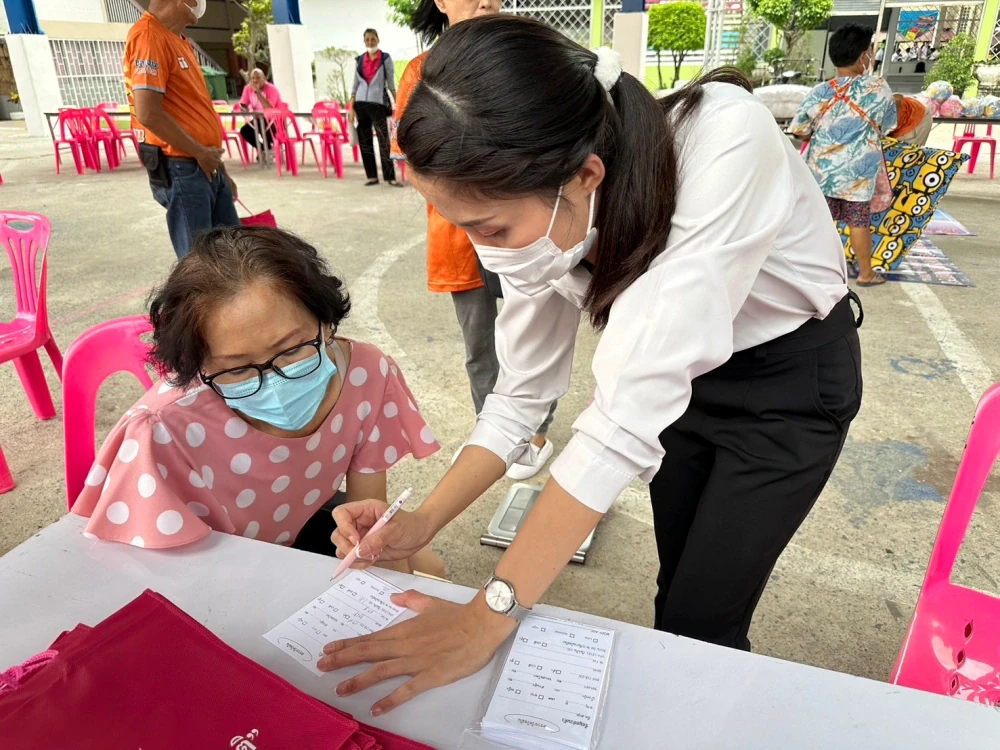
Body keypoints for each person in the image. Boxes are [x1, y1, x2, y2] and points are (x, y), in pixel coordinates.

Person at [316, 16, 862, 715]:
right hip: (692, 385)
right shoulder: (540, 216)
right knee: (680, 585)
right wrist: (423, 522)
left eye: (490, 228)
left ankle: (701, 719)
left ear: (585, 175)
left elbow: (619, 423)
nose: (488, 252)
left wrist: (491, 612)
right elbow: (521, 397)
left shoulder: (723, 144)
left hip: (787, 383)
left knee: (702, 616)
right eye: (464, 227)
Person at [71, 225, 445, 579]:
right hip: (210, 569)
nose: (275, 381)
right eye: (236, 370)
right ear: (197, 364)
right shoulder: (161, 432)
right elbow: (157, 573)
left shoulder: (367, 374)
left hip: (300, 529)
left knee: (430, 569)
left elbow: (366, 521)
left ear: (325, 319)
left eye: (293, 349)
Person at [395, 0, 558, 479]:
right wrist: (471, 201)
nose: (486, 0)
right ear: (441, 2)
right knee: (481, 347)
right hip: (458, 243)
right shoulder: (420, 73)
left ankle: (538, 430)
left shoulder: (522, 57)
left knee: (539, 333)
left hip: (526, 234)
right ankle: (499, 434)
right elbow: (409, 159)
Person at [125, 0, 239, 260]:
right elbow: (148, 113)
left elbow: (191, 112)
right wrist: (199, 152)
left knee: (234, 257)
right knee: (199, 265)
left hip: (205, 164)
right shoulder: (149, 37)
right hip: (183, 167)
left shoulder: (179, 40)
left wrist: (221, 171)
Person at [791, 24, 896, 287]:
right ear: (863, 56)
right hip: (858, 177)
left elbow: (800, 131)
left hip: (822, 172)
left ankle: (812, 273)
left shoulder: (820, 91)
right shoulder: (879, 89)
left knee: (818, 223)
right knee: (859, 222)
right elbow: (888, 127)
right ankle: (865, 274)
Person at [349, 29, 401, 187]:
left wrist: (398, 104)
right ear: (364, 41)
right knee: (365, 142)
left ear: (378, 40)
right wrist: (351, 108)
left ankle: (390, 177)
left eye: (372, 39)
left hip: (378, 104)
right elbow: (354, 85)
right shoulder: (359, 60)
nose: (370, 42)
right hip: (360, 106)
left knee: (384, 141)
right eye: (367, 39)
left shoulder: (385, 59)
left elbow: (391, 83)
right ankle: (372, 176)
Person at [238, 68, 282, 158]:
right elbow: (243, 103)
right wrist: (244, 108)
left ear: (264, 78)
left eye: (258, 78)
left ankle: (268, 149)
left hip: (274, 120)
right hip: (258, 119)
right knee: (245, 131)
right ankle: (264, 149)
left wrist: (257, 92)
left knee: (265, 128)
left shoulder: (271, 89)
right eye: (253, 78)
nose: (255, 80)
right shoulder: (248, 88)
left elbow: (269, 107)